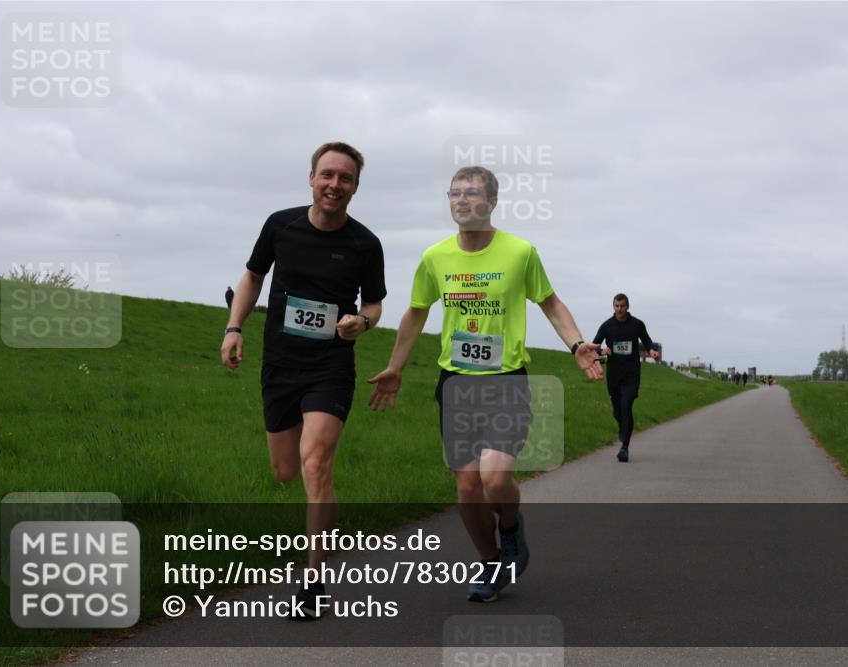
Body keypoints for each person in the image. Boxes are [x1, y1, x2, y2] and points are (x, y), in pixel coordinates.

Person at [368, 165, 602, 603]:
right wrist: (395, 366)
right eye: (455, 193)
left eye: (472, 193)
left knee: (494, 481)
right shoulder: (435, 257)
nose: (462, 200)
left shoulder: (520, 253)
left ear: (492, 202)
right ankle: (490, 562)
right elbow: (416, 312)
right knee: (467, 489)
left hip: (505, 381)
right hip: (456, 383)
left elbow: (550, 303)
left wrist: (576, 344)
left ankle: (510, 528)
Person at [220, 142, 386, 619]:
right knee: (286, 471)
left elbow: (374, 303)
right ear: (312, 178)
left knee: (316, 464)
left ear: (356, 187)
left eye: (345, 178)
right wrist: (234, 328)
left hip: (330, 367)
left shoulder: (365, 244)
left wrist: (362, 322)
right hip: (280, 365)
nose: (335, 184)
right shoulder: (280, 225)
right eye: (327, 175)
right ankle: (323, 530)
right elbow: (253, 277)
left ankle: (313, 583)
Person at [593, 294, 660, 462]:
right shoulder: (607, 326)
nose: (619, 309)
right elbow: (595, 345)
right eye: (616, 306)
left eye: (622, 306)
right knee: (617, 411)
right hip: (614, 373)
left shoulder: (637, 324)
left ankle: (625, 447)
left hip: (632, 372)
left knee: (626, 405)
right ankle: (623, 429)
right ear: (613, 307)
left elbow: (646, 340)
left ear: (627, 306)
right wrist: (602, 351)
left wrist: (651, 350)